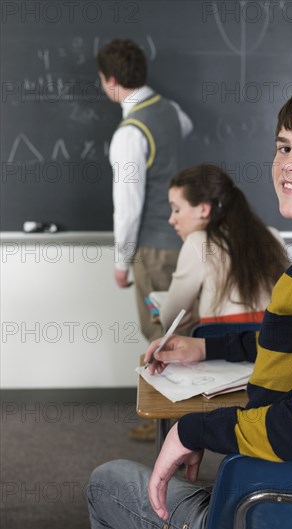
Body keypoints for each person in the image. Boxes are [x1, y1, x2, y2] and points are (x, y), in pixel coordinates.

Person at [87, 84, 292, 529]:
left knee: (106, 481)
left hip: (278, 518)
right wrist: (208, 345)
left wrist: (193, 428)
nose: (290, 164)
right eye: (284, 146)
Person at [97, 38, 193, 342]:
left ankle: (166, 392)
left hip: (153, 250)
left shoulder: (129, 134)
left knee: (161, 339)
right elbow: (186, 128)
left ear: (111, 80)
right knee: (184, 332)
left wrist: (121, 262)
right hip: (185, 241)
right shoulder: (172, 111)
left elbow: (128, 208)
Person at [159, 163, 289, 333]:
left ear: (204, 209)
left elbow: (169, 318)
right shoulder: (272, 236)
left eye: (176, 209)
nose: (171, 219)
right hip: (272, 350)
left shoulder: (197, 243)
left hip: (219, 353)